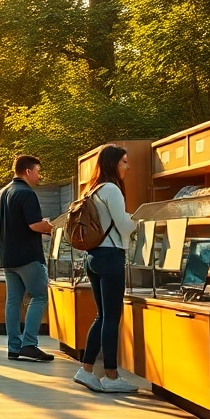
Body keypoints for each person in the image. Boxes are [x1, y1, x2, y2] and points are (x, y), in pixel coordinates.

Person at [73, 144, 140, 393]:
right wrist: (136, 220)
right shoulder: (111, 189)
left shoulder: (93, 189)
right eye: (124, 161)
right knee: (112, 317)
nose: (128, 166)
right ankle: (111, 377)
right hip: (112, 257)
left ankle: (87, 370)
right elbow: (124, 226)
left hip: (94, 257)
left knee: (101, 316)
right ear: (114, 164)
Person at [0, 155, 55, 362]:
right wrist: (52, 227)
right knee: (39, 296)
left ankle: (13, 346)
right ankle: (29, 344)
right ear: (28, 171)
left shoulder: (2, 193)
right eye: (37, 171)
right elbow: (34, 225)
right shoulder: (27, 193)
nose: (39, 176)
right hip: (29, 256)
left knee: (13, 302)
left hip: (8, 256)